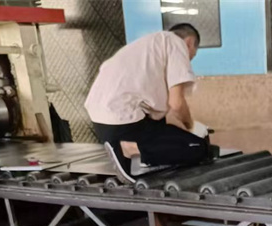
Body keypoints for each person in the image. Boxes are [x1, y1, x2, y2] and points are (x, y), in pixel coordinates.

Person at [85, 24, 215, 183]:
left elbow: (158, 113)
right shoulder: (176, 43)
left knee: (165, 129)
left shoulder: (146, 46)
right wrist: (192, 127)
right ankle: (132, 148)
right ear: (189, 42)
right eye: (191, 57)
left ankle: (137, 154)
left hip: (103, 123)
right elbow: (176, 104)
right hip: (124, 120)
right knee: (198, 147)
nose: (188, 61)